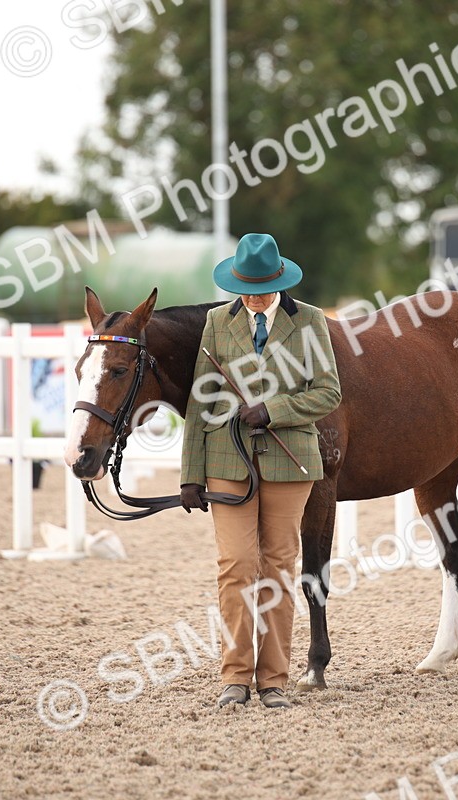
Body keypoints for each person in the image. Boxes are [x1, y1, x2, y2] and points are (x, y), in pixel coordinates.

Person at [179, 233, 341, 710]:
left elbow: (328, 393)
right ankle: (234, 677)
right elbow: (199, 398)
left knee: (277, 568)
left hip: (290, 461)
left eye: (260, 288)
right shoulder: (216, 322)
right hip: (226, 459)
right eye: (244, 288)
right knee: (236, 566)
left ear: (279, 281)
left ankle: (273, 679)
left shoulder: (310, 322)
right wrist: (190, 473)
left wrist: (274, 409)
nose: (251, 298)